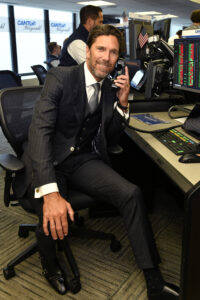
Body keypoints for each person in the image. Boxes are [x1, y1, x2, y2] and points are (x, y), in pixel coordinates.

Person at [15, 24, 179, 299]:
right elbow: (39, 130)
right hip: (45, 158)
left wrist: (123, 104)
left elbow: (111, 135)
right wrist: (50, 189)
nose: (106, 57)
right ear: (88, 50)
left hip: (79, 159)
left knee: (131, 193)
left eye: (114, 52)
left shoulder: (108, 86)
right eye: (101, 49)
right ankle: (50, 265)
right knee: (50, 208)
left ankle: (153, 279)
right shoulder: (60, 77)